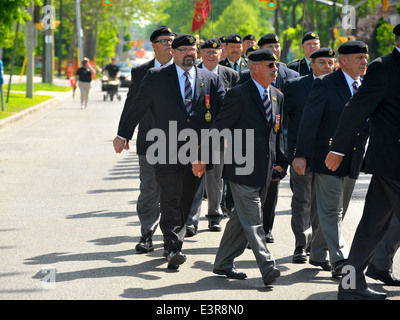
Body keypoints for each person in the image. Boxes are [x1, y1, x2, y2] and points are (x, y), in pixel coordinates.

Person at [114, 34, 225, 270]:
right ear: (173, 52)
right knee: (171, 197)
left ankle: (172, 240)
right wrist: (123, 134)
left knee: (187, 199)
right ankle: (173, 247)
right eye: (183, 49)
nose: (189, 53)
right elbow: (137, 106)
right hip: (164, 148)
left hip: (198, 152)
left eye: (192, 49)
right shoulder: (156, 77)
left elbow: (222, 115)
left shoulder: (210, 79)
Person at [193, 49, 287, 286]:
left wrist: (281, 161)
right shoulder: (238, 94)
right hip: (241, 167)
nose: (275, 69)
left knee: (239, 219)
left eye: (276, 65)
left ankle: (223, 262)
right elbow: (219, 127)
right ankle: (267, 265)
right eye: (270, 65)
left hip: (265, 170)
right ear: (254, 67)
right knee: (254, 218)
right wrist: (203, 157)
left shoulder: (277, 95)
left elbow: (277, 134)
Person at [325, 24, 400, 300]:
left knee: (371, 226)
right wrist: (339, 149)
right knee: (372, 225)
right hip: (393, 160)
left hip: (390, 166)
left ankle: (349, 284)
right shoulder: (384, 68)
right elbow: (355, 108)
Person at [292, 40, 369, 278]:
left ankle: (317, 252)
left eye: (365, 58)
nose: (364, 62)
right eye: (359, 58)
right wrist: (301, 155)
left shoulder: (366, 85)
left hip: (353, 158)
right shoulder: (326, 84)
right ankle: (339, 259)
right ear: (343, 61)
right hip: (327, 156)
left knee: (341, 209)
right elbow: (309, 121)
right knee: (330, 211)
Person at [117, 25, 175, 253]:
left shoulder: (185, 69)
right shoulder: (141, 72)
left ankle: (172, 239)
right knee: (149, 188)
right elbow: (132, 103)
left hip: (180, 141)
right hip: (149, 139)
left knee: (173, 190)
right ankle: (147, 234)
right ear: (153, 45)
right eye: (164, 41)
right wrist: (124, 134)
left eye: (172, 40)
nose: (169, 44)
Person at [237, 33, 299, 243]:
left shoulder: (291, 75)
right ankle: (250, 233)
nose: (275, 50)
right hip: (249, 145)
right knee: (249, 194)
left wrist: (284, 154)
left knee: (271, 190)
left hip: (277, 140)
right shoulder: (245, 77)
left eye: (277, 46)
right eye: (269, 47)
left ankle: (266, 228)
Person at [282, 48, 336, 266]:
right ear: (311, 63)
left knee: (323, 204)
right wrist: (292, 154)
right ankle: (299, 245)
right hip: (301, 156)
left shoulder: (338, 86)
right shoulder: (296, 86)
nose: (326, 66)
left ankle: (317, 247)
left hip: (328, 156)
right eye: (321, 62)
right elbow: (285, 123)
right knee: (302, 200)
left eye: (330, 63)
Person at [186, 38, 240, 235]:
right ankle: (192, 220)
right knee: (195, 177)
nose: (211, 56)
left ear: (221, 53)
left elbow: (235, 107)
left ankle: (214, 216)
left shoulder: (232, 75)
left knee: (216, 178)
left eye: (214, 52)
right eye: (207, 52)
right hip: (194, 135)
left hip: (219, 135)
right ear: (201, 54)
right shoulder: (192, 72)